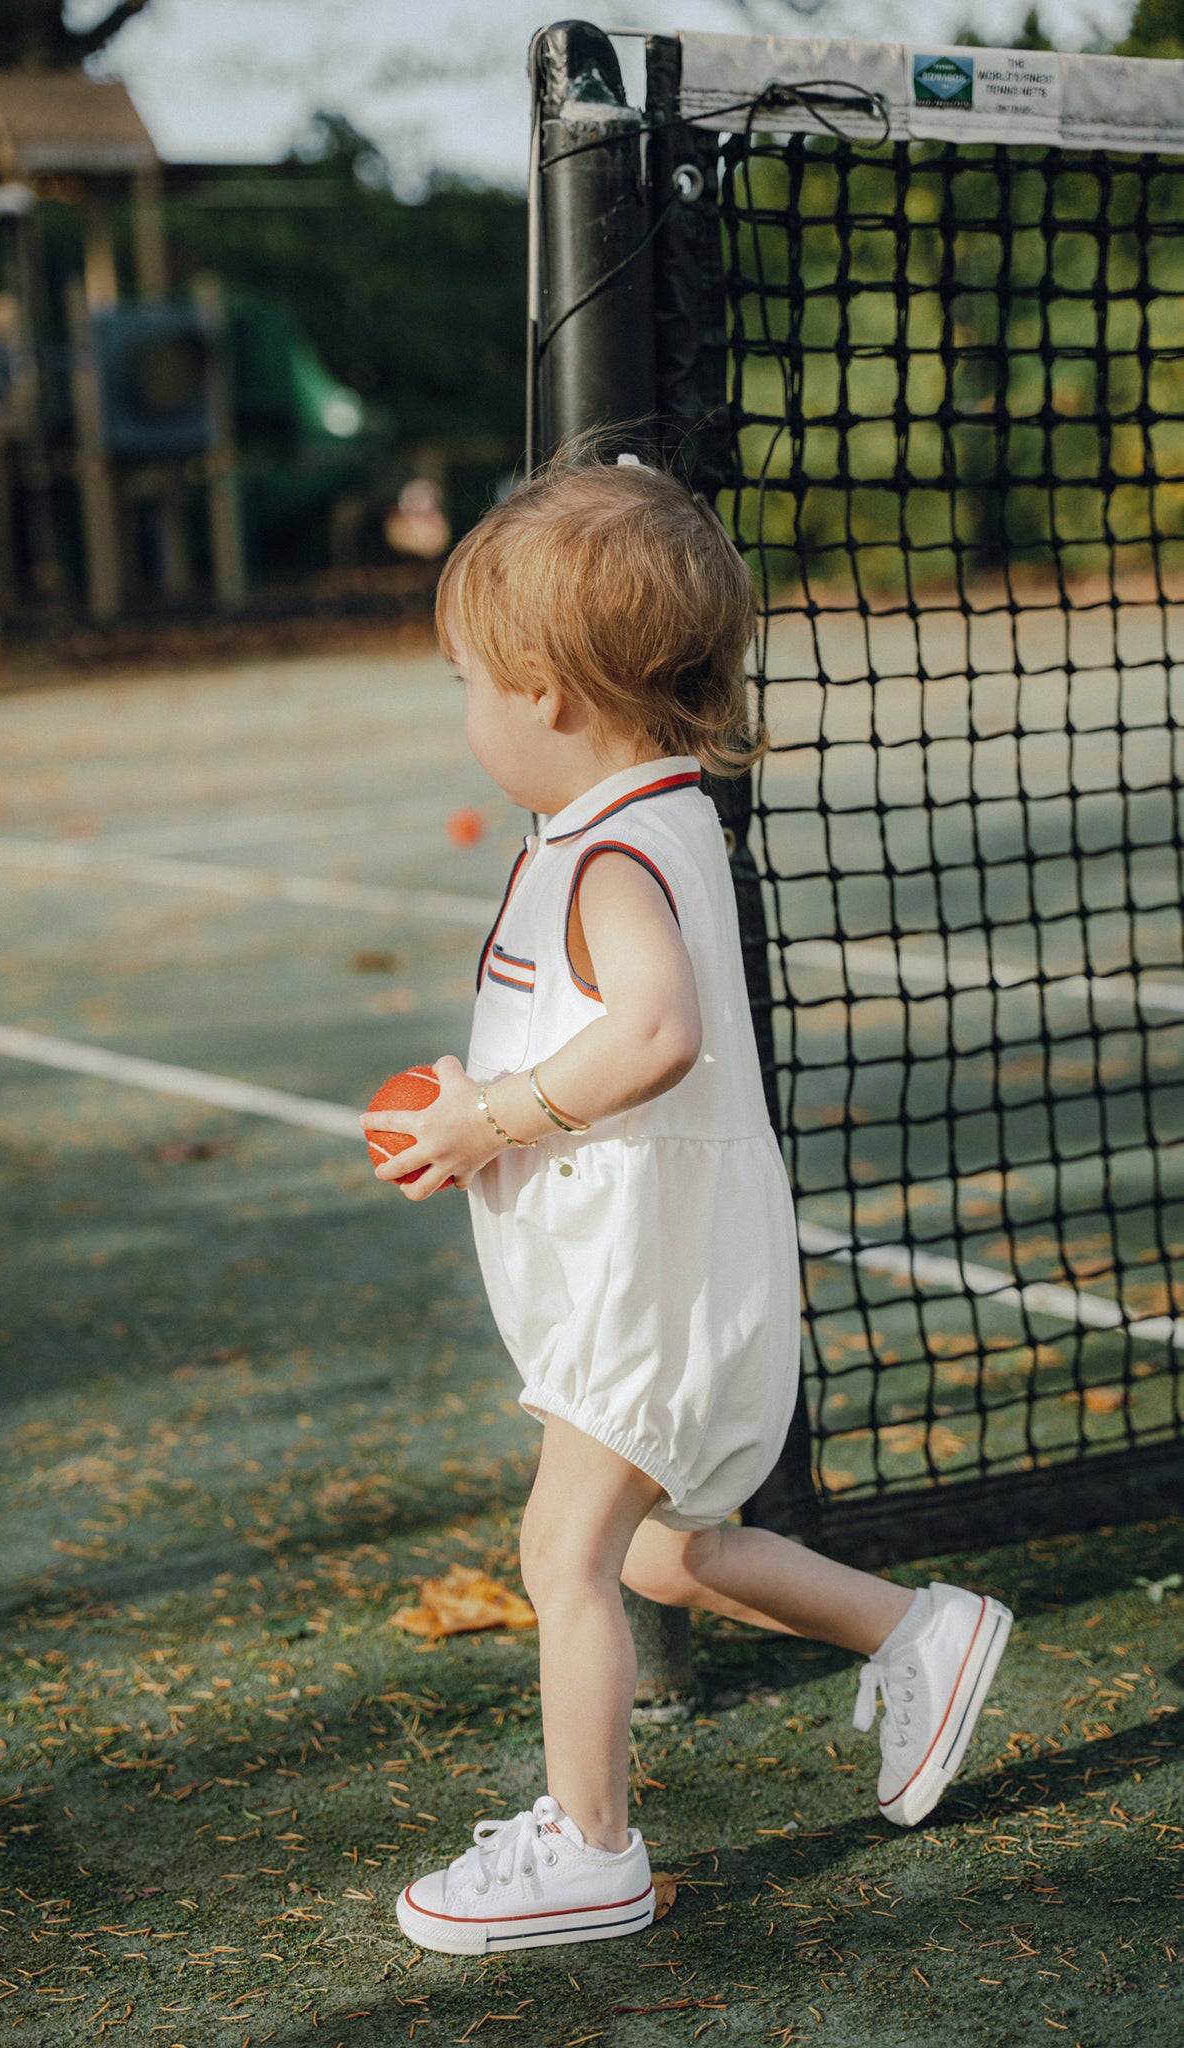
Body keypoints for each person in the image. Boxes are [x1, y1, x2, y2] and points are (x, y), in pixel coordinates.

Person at [361, 451, 1012, 1957]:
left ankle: (586, 1847)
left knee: (562, 1556)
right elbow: (602, 1029)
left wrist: (495, 1115)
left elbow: (654, 1033)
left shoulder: (606, 855)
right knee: (660, 1548)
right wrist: (481, 1103)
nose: (464, 714)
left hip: (647, 1282)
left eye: (471, 681)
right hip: (652, 1267)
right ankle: (915, 1628)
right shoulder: (635, 823)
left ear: (552, 696)